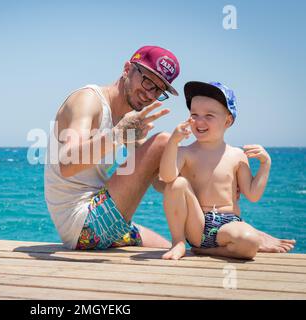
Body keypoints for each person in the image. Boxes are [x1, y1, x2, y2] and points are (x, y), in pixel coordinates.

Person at [44, 46, 295, 253]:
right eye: (146, 81)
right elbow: (67, 164)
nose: (149, 94)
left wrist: (217, 197)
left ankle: (228, 231)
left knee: (169, 247)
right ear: (127, 69)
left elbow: (160, 181)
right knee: (164, 140)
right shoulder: (88, 100)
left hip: (99, 223)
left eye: (158, 90)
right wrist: (119, 135)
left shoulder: (129, 117)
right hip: (83, 222)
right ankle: (232, 234)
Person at [159, 81, 295, 260]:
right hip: (197, 223)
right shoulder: (186, 152)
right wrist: (173, 142)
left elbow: (252, 195)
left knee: (251, 242)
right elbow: (167, 176)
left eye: (209, 115)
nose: (200, 121)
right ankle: (178, 243)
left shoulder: (237, 155)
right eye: (194, 114)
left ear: (228, 120)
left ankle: (210, 251)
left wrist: (265, 164)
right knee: (177, 183)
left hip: (228, 224)